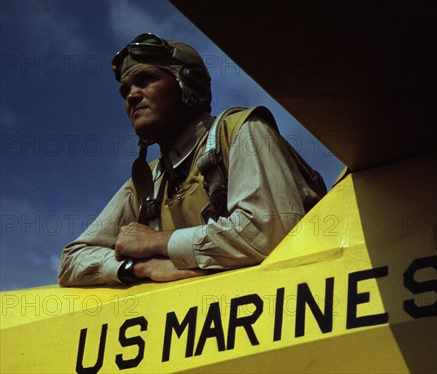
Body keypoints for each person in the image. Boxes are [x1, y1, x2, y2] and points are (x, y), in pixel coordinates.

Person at [58, 33, 325, 286]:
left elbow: (268, 231)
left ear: (188, 84)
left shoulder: (240, 131)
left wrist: (158, 242)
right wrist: (137, 268)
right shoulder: (149, 183)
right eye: (125, 89)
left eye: (145, 80)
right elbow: (72, 260)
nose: (131, 95)